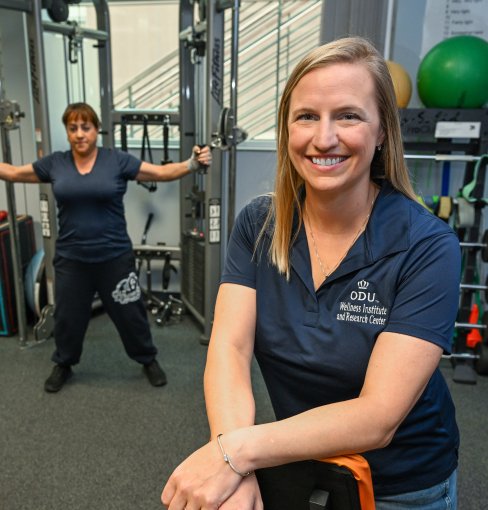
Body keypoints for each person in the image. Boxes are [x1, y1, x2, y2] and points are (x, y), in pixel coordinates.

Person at [161, 37, 461, 509]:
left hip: (401, 484)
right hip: (296, 461)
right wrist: (235, 468)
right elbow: (230, 349)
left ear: (382, 130)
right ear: (286, 127)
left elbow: (377, 417)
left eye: (348, 115)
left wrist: (233, 453)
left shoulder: (427, 247)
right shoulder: (259, 226)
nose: (324, 138)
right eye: (306, 116)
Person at [0, 102, 211, 393]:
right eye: (73, 128)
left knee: (131, 314)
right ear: (67, 132)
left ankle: (147, 359)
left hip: (113, 256)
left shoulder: (116, 161)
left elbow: (161, 174)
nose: (79, 134)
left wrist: (192, 164)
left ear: (97, 129)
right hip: (71, 258)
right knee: (67, 318)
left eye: (85, 127)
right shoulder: (55, 164)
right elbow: (11, 173)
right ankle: (64, 363)